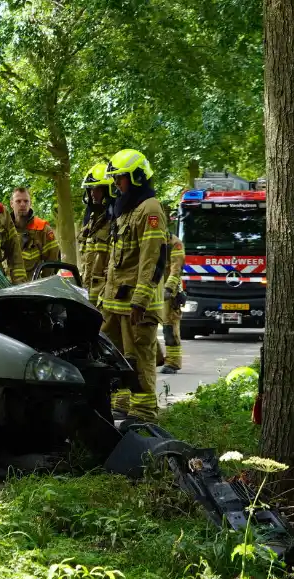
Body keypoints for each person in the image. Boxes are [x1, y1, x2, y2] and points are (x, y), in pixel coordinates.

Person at [100, 149, 169, 422]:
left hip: (137, 304)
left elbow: (152, 259)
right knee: (116, 355)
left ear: (138, 177)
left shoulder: (150, 209)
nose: (116, 184)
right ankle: (123, 403)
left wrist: (140, 300)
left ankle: (143, 413)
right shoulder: (128, 209)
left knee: (139, 358)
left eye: (121, 178)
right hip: (116, 303)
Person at [78, 163, 114, 306]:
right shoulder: (91, 221)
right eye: (91, 189)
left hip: (105, 296)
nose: (93, 193)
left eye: (97, 189)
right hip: (88, 294)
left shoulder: (115, 221)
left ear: (108, 190)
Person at [10, 187, 60, 281]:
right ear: (11, 204)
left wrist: (42, 285)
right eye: (18, 201)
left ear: (30, 203)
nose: (22, 204)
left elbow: (53, 261)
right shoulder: (4, 228)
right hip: (4, 290)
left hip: (31, 290)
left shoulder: (42, 229)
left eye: (26, 201)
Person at [161, 231, 186, 374]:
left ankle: (173, 362)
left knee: (169, 327)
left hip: (168, 292)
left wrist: (168, 288)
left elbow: (176, 269)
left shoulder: (175, 244)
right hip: (149, 286)